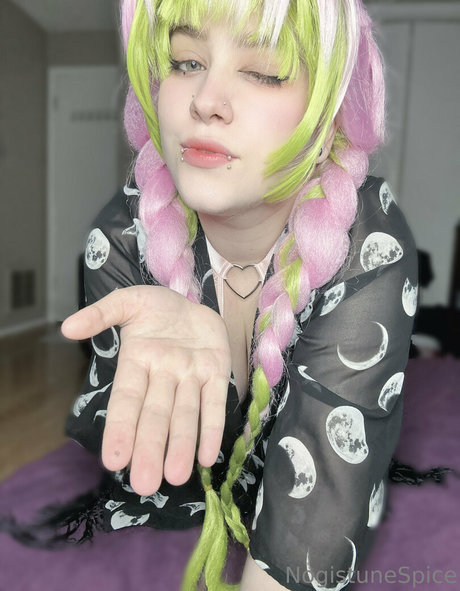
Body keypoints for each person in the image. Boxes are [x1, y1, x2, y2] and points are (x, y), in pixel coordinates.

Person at [3, 1, 420, 589]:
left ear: (330, 110)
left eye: (265, 71)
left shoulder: (368, 240)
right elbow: (144, 472)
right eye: (185, 62)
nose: (205, 99)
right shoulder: (123, 239)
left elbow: (314, 528)